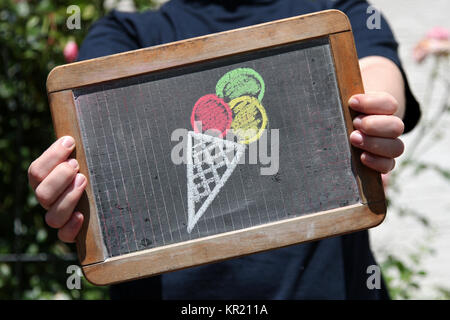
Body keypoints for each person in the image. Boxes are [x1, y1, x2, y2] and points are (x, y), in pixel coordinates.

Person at [28, 0, 420, 299]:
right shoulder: (124, 36)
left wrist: (373, 117)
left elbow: (373, 75)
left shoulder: (337, 11)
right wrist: (70, 187)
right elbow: (93, 141)